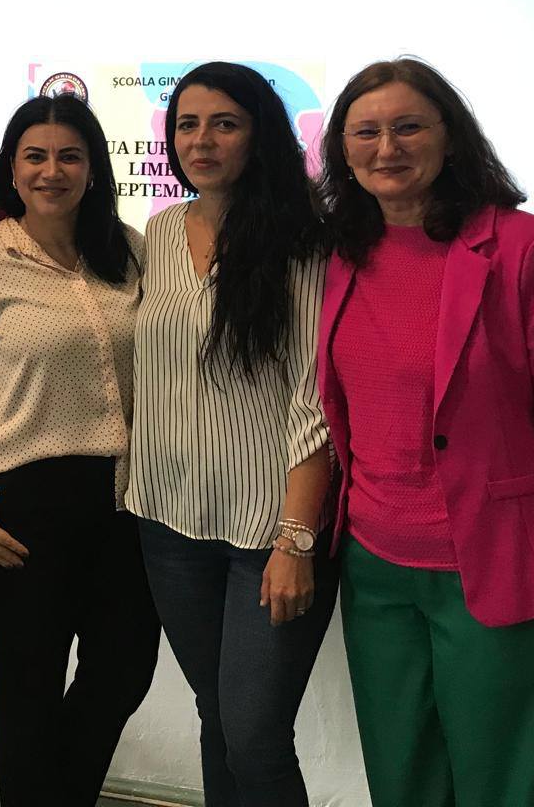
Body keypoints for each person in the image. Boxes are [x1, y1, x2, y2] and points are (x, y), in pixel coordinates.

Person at [316, 58, 534, 807]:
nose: (387, 147)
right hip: (375, 571)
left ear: (449, 137)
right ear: (342, 151)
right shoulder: (337, 255)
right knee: (403, 785)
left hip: (501, 567)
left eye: (408, 126)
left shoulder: (522, 247)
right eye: (365, 132)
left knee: (509, 789)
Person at [0, 93, 159, 807]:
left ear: (93, 168)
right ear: (12, 170)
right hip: (23, 509)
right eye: (36, 156)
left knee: (123, 671)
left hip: (126, 503)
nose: (52, 171)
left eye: (70, 156)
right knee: (29, 687)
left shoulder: (131, 253)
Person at [128, 63, 335, 807]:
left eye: (225, 123)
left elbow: (316, 401)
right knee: (217, 715)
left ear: (260, 134)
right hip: (169, 525)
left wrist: (296, 540)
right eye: (187, 124)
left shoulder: (304, 241)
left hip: (268, 533)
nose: (202, 141)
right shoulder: (158, 232)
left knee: (254, 734)